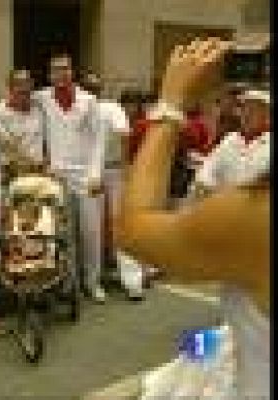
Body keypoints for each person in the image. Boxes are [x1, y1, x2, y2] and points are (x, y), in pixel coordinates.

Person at [117, 37, 269, 399]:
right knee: (197, 347)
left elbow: (133, 229)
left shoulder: (256, 210)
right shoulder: (231, 143)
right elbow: (206, 178)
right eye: (244, 106)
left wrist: (171, 103)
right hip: (226, 251)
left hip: (231, 238)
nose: (245, 112)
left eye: (254, 107)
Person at [34, 53, 107, 303]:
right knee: (64, 233)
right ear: (50, 75)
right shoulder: (41, 98)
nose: (61, 74)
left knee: (91, 231)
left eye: (65, 69)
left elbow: (99, 141)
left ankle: (93, 282)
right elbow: (13, 107)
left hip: (86, 176)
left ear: (72, 72)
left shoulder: (89, 101)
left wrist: (96, 175)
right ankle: (69, 282)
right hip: (57, 174)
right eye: (56, 70)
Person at [81, 73, 146, 300]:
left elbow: (124, 134)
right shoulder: (77, 109)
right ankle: (92, 281)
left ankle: (133, 282)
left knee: (121, 224)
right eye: (88, 86)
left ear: (101, 89)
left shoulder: (111, 107)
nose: (92, 90)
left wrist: (127, 166)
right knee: (92, 229)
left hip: (116, 170)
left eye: (96, 87)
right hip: (90, 172)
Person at [191, 88, 270, 197]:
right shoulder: (230, 139)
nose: (246, 114)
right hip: (224, 204)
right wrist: (204, 187)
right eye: (244, 109)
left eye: (253, 110)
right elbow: (208, 170)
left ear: (267, 116)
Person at [0, 69, 45, 173]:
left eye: (27, 82)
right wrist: (29, 165)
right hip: (12, 171)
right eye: (18, 84)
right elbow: (8, 146)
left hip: (38, 170)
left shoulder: (39, 108)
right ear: (10, 88)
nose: (24, 87)